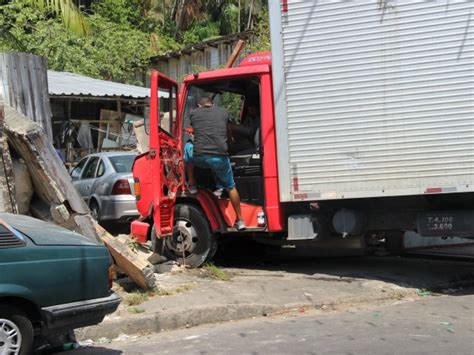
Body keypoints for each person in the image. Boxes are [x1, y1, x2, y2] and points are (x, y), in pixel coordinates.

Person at [185, 96, 246, 231]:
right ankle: (241, 221)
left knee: (188, 148)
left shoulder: (194, 113)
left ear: (199, 105)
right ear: (212, 104)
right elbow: (227, 133)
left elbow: (197, 132)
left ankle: (192, 183)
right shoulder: (223, 112)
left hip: (199, 158)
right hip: (220, 157)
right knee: (231, 186)